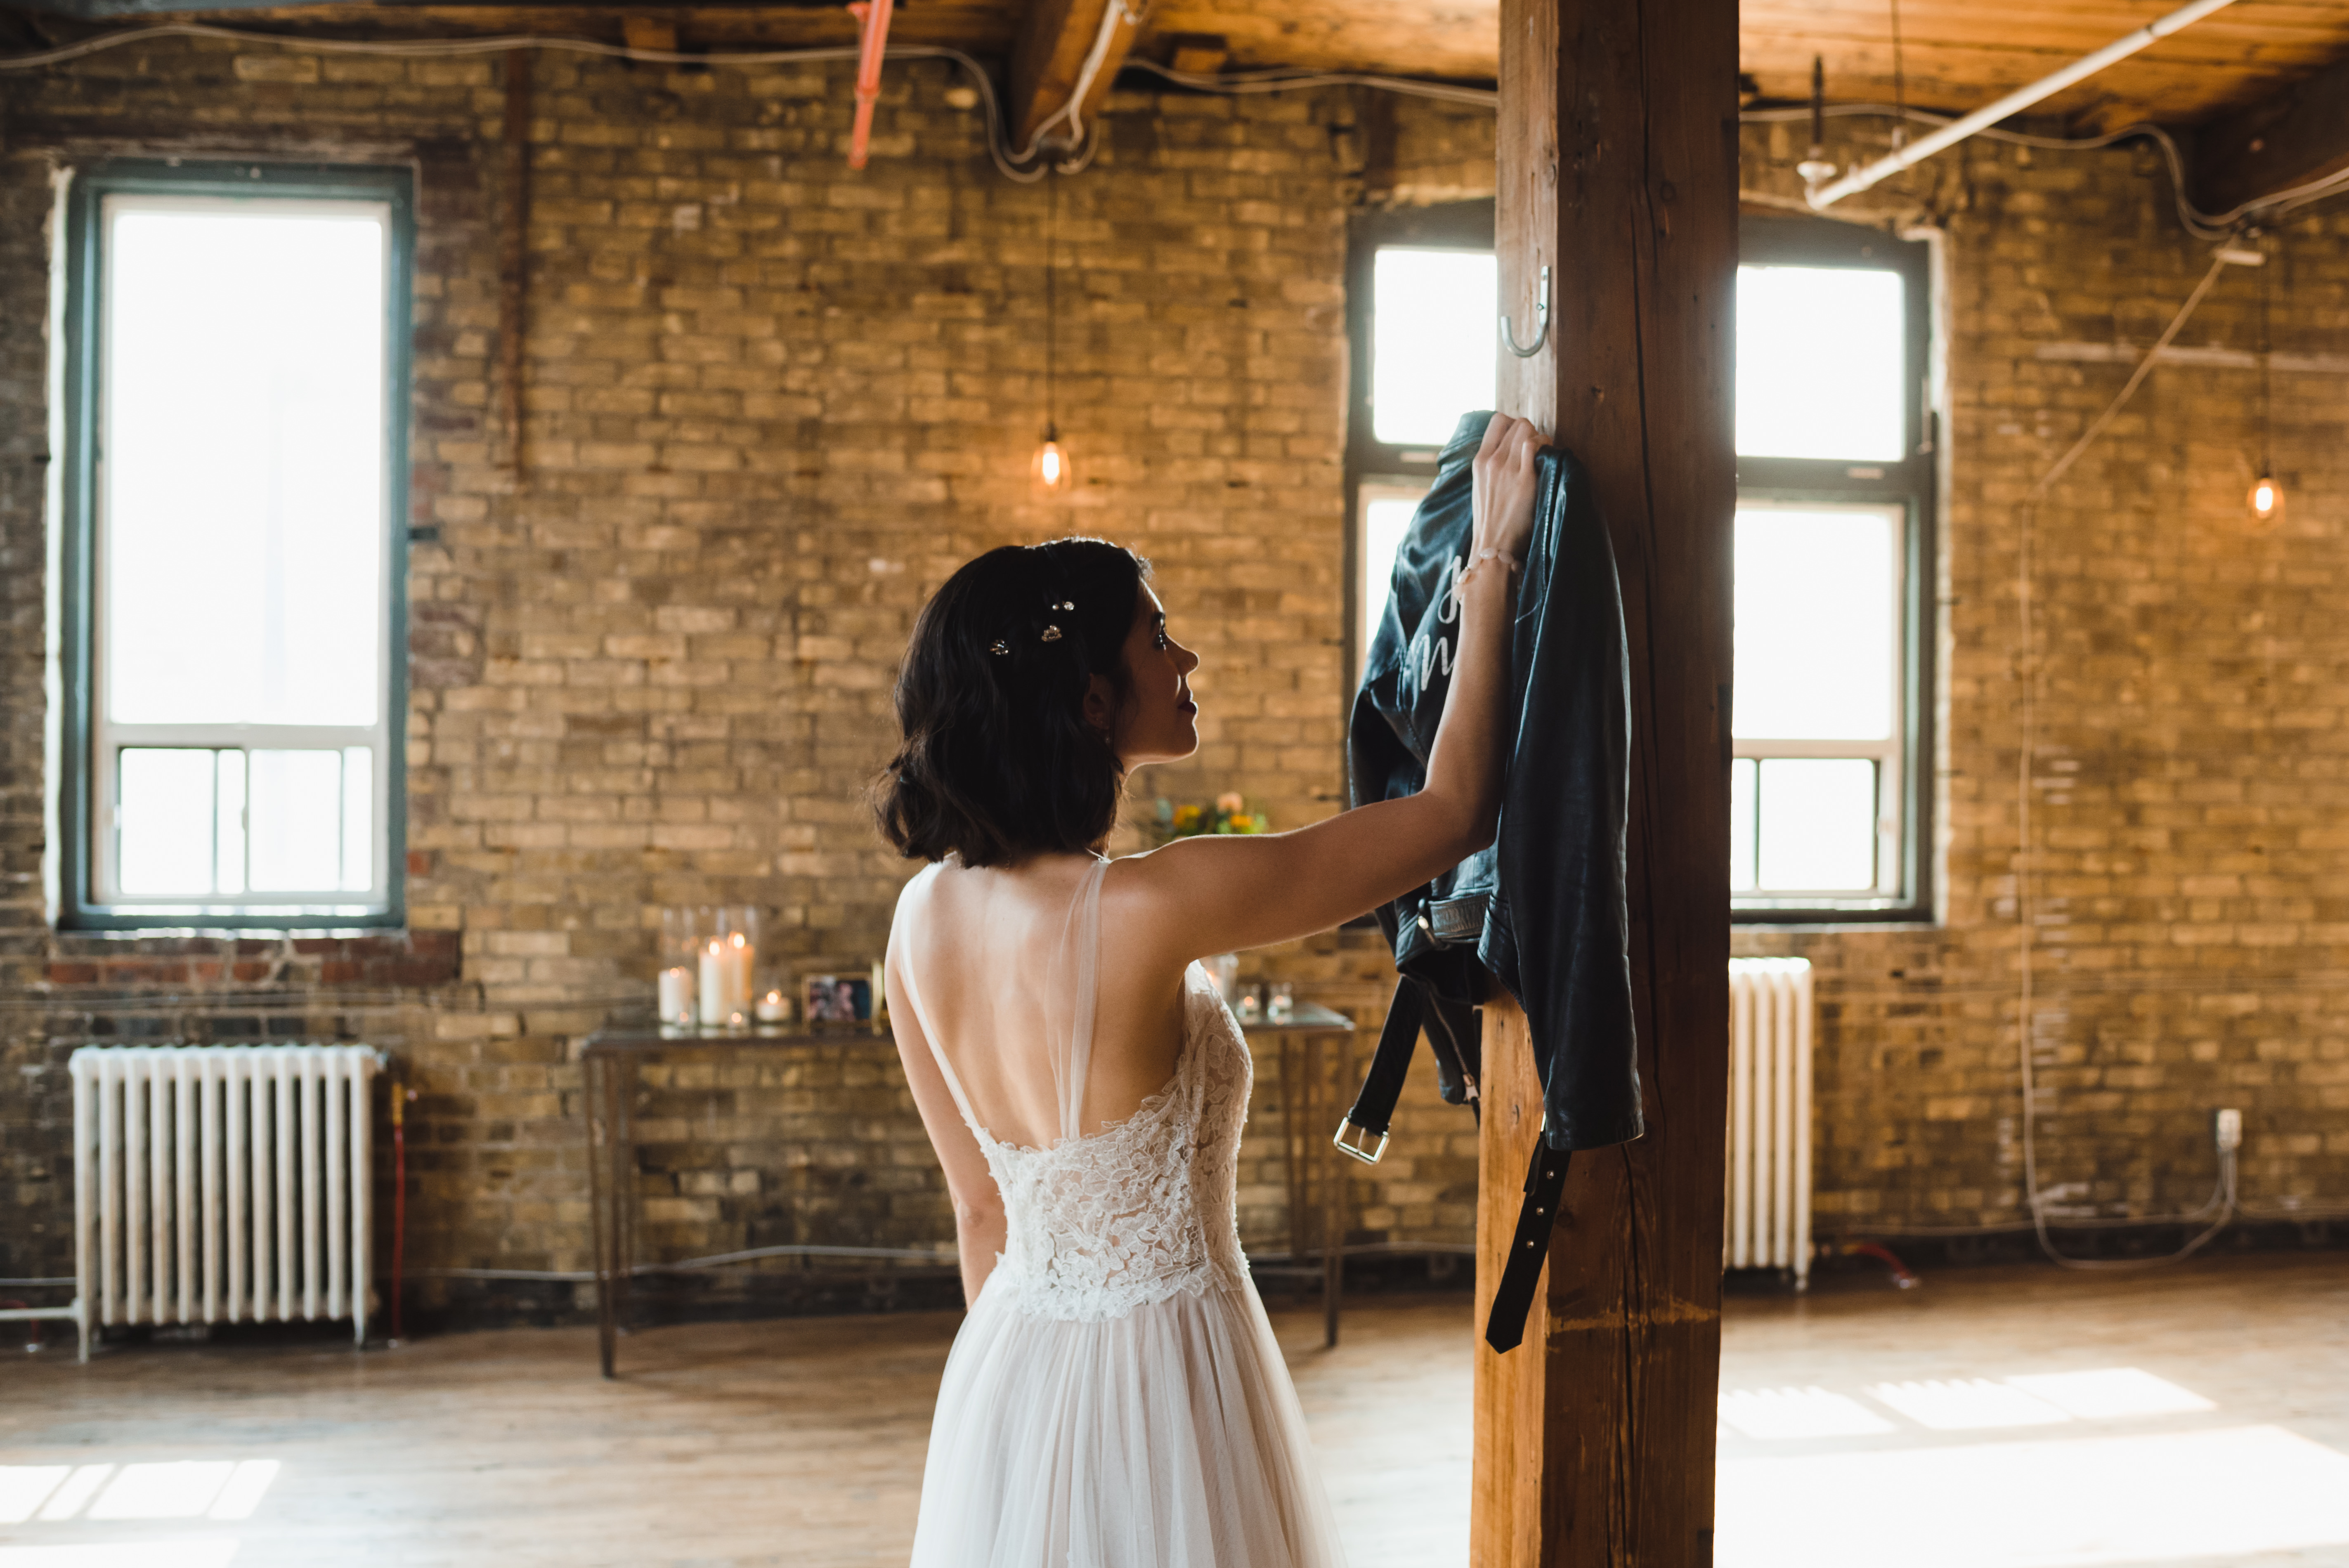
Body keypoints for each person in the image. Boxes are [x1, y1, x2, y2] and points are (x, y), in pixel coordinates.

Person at [876, 414, 1544, 1566]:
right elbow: (1450, 817)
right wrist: (1490, 562)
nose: (1185, 664)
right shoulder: (1146, 907)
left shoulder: (920, 915)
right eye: (1159, 639)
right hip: (1169, 1366)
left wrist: (1026, 1439)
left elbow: (982, 1215)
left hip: (1010, 1361)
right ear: (1090, 698)